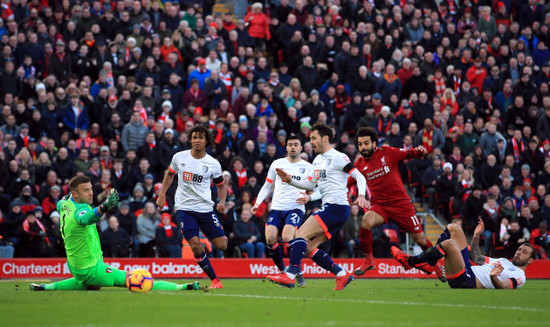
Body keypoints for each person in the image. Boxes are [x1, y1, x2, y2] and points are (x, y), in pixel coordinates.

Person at [30, 176, 200, 291]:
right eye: (85, 190)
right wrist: (104, 206)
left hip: (76, 266)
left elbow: (62, 201)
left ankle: (46, 287)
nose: (91, 193)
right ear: (75, 194)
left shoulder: (64, 204)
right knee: (135, 279)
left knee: (88, 284)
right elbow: (87, 218)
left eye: (90, 189)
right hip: (92, 268)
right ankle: (182, 287)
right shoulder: (79, 212)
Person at [267, 122, 368, 290]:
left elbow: (360, 177)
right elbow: (310, 184)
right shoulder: (318, 160)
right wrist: (290, 180)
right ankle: (342, 275)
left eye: (313, 138)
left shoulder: (338, 157)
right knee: (308, 247)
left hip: (336, 207)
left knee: (299, 235)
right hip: (333, 208)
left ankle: (290, 275)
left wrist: (362, 195)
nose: (311, 142)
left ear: (325, 138)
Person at [350, 127, 443, 279]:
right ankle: (368, 261)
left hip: (401, 204)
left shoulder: (387, 152)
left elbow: (408, 153)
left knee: (420, 239)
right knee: (365, 221)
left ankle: (437, 266)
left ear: (374, 143)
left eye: (366, 143)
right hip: (380, 206)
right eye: (360, 144)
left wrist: (419, 152)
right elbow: (348, 182)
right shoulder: (359, 165)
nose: (363, 148)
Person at [156, 124, 227, 289]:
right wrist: (161, 194)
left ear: (206, 141)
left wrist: (222, 202)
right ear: (190, 139)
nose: (197, 141)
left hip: (205, 209)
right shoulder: (179, 157)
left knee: (222, 245)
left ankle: (220, 236)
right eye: (194, 137)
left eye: (200, 138)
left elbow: (221, 185)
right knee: (195, 245)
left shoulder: (213, 164)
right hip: (184, 208)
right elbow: (170, 175)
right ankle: (215, 280)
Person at [393, 219, 535, 289]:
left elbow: (504, 287)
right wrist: (476, 236)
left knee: (450, 244)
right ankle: (429, 264)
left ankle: (411, 262)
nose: (519, 252)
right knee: (454, 228)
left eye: (524, 252)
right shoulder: (504, 261)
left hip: (467, 281)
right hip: (467, 269)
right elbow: (476, 257)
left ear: (530, 261)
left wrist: (493, 278)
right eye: (519, 249)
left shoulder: (520, 276)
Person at [251, 134, 314, 287]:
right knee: (270, 238)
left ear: (300, 147)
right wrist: (257, 203)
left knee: (287, 237)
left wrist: (308, 198)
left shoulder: (308, 167)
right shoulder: (277, 164)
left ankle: (296, 271)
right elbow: (267, 185)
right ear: (286, 147)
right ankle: (284, 272)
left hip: (295, 207)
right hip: (277, 207)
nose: (293, 147)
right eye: (290, 144)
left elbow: (312, 188)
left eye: (296, 144)